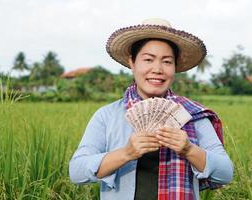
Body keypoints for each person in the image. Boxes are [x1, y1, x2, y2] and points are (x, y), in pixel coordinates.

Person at [69, 18, 233, 200]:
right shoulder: (108, 115)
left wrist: (189, 149)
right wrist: (126, 153)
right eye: (148, 59)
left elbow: (225, 173)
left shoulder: (192, 116)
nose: (157, 69)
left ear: (175, 67)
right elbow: (76, 171)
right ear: (132, 62)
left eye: (167, 61)